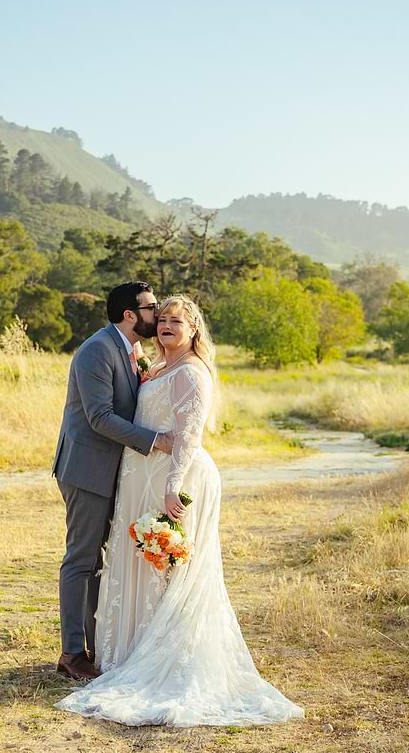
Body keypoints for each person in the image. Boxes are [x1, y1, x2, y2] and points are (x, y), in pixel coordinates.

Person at [56, 295, 303, 726]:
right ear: (136, 315)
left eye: (175, 320)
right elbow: (104, 416)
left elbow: (186, 438)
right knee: (130, 563)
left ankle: (161, 656)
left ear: (193, 331)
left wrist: (173, 489)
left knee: (165, 570)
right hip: (137, 479)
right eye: (161, 316)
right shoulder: (150, 363)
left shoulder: (191, 372)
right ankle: (112, 651)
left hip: (170, 482)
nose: (165, 324)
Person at [52, 282, 172, 681]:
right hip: (87, 470)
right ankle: (72, 654)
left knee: (103, 563)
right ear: (130, 315)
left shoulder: (132, 349)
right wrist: (156, 442)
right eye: (152, 308)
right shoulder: (97, 351)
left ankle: (97, 646)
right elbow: (99, 417)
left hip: (116, 471)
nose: (158, 313)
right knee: (81, 561)